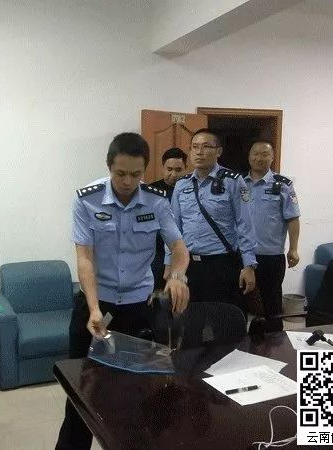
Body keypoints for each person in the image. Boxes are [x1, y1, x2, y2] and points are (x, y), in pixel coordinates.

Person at [56, 132, 191, 450]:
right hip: (95, 305)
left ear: (144, 170)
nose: (128, 181)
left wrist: (177, 276)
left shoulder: (157, 201)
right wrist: (93, 308)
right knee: (82, 395)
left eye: (135, 174)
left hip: (137, 310)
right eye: (120, 173)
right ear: (108, 167)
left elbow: (179, 248)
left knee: (138, 394)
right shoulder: (87, 199)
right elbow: (84, 258)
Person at [165, 128, 257, 314]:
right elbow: (173, 229)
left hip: (222, 264)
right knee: (189, 319)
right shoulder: (182, 184)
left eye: (206, 146)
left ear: (218, 151)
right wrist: (169, 264)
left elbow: (245, 224)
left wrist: (249, 265)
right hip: (189, 265)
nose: (199, 152)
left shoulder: (233, 181)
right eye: (195, 147)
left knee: (224, 319)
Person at [244, 141, 300, 321]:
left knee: (272, 305)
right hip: (242, 255)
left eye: (264, 154)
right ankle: (242, 337)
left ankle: (274, 338)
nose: (259, 158)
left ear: (272, 158)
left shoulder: (283, 185)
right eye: (255, 153)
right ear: (249, 156)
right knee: (240, 302)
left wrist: (293, 249)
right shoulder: (238, 184)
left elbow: (293, 218)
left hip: (270, 257)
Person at [150, 147, 187, 290]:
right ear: (163, 168)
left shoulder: (190, 190)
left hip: (183, 252)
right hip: (156, 253)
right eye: (169, 169)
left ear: (185, 169)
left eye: (178, 170)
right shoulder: (151, 192)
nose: (173, 174)